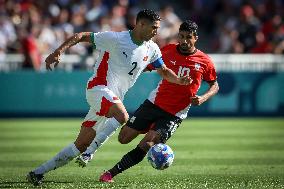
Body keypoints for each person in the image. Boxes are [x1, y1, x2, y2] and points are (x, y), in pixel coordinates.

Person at [26, 9, 191, 186]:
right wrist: (58, 51)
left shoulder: (152, 48)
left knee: (79, 145)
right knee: (123, 116)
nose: (156, 32)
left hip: (110, 99)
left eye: (158, 28)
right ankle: (90, 152)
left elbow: (164, 71)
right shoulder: (116, 39)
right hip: (98, 88)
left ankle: (37, 173)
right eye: (153, 27)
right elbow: (81, 35)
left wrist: (180, 80)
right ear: (141, 24)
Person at [97, 20, 219, 182]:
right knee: (123, 138)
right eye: (181, 36)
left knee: (146, 145)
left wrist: (203, 98)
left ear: (195, 38)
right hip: (153, 104)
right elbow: (145, 65)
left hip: (174, 114)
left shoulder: (205, 61)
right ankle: (150, 131)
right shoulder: (167, 51)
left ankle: (110, 174)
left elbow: (215, 85)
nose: (183, 41)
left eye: (188, 37)